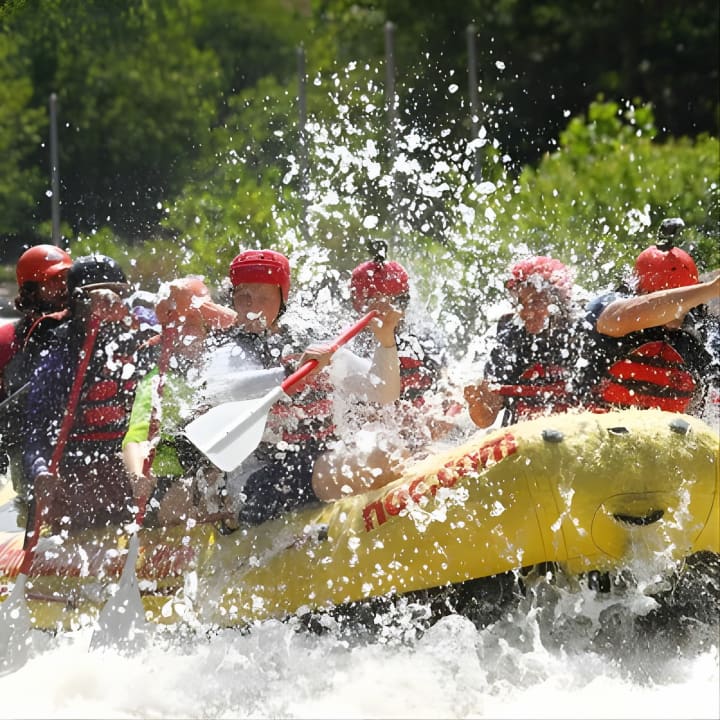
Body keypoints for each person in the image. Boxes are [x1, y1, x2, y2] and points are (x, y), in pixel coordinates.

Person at [201, 249, 402, 524]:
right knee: (369, 464)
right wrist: (290, 374)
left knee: (388, 448)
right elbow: (220, 391)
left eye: (263, 297)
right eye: (243, 296)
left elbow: (384, 392)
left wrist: (385, 341)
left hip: (320, 459)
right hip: (260, 479)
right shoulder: (227, 348)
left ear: (282, 300)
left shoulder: (308, 341)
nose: (252, 306)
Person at [22, 254, 157, 534]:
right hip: (79, 466)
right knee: (68, 496)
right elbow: (37, 429)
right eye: (93, 301)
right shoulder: (59, 356)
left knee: (159, 477)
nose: (105, 307)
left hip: (132, 462)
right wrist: (40, 471)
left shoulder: (145, 333)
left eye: (115, 297)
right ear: (75, 304)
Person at [122, 277, 237, 527]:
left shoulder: (229, 367)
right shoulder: (159, 381)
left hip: (217, 472)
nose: (189, 334)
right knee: (193, 488)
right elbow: (135, 438)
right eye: (181, 326)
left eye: (196, 323)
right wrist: (137, 474)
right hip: (171, 482)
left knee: (222, 480)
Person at [580, 218, 719, 416]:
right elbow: (622, 317)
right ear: (643, 293)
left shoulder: (701, 334)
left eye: (683, 300)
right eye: (669, 297)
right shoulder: (609, 307)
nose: (675, 313)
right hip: (598, 429)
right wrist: (711, 289)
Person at [464, 255, 583, 429]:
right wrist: (477, 402)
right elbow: (485, 420)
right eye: (521, 304)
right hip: (522, 439)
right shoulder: (510, 340)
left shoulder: (578, 334)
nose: (527, 312)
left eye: (536, 302)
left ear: (557, 302)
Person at [0, 244, 72, 493]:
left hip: (78, 436)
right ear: (30, 290)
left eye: (67, 279)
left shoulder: (85, 329)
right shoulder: (6, 341)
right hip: (25, 442)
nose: (64, 288)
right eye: (54, 281)